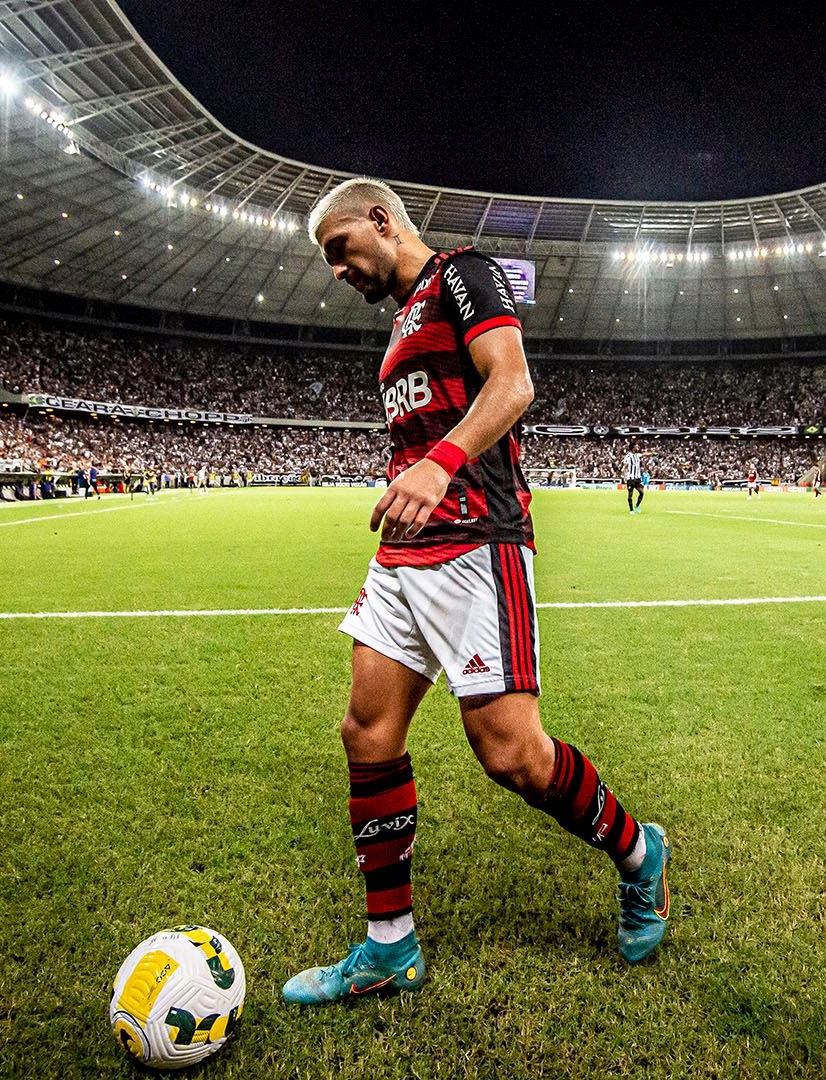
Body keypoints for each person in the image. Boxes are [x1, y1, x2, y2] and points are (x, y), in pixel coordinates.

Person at [281, 178, 669, 1006]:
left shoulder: (464, 273)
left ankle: (640, 855)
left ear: (380, 221)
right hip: (405, 555)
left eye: (340, 249)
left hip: (476, 543)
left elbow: (513, 383)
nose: (338, 271)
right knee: (366, 729)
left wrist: (439, 462)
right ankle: (390, 948)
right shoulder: (400, 318)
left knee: (512, 757)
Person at [622, 446, 649, 514]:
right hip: (630, 479)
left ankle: (637, 506)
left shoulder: (637, 455)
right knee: (630, 495)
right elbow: (624, 466)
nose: (637, 448)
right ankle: (631, 510)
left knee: (641, 492)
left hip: (637, 478)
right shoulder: (628, 456)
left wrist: (652, 453)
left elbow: (644, 454)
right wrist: (624, 475)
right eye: (636, 447)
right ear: (633, 447)